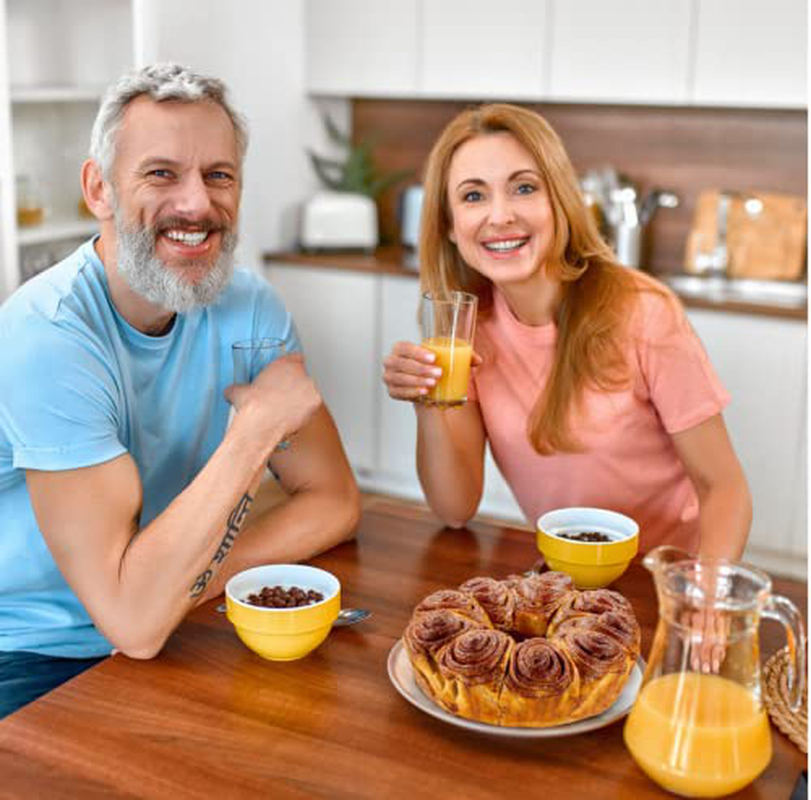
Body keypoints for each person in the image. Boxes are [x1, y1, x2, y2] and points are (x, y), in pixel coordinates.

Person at [0, 63, 361, 718]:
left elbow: (332, 501)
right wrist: (253, 433)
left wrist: (182, 584)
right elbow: (132, 628)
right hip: (30, 653)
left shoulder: (248, 308)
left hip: (166, 616)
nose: (196, 204)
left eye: (218, 175)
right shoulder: (46, 334)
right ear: (99, 188)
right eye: (161, 173)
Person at [383, 103, 752, 562]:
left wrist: (704, 604)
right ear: (451, 228)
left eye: (523, 188)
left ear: (559, 201)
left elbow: (725, 489)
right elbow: (455, 507)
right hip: (565, 577)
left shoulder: (644, 311)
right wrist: (428, 400)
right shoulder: (466, 331)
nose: (499, 216)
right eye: (473, 197)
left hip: (666, 579)